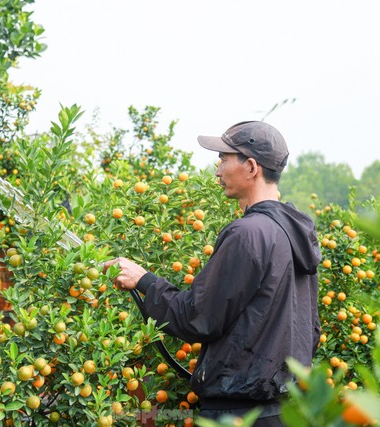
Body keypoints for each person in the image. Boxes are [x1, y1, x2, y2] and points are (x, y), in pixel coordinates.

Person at [103, 121, 321, 427]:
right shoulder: (294, 234)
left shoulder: (248, 234)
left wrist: (144, 281)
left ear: (251, 167)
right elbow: (310, 331)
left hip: (239, 414)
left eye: (224, 159)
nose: (217, 170)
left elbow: (198, 317)